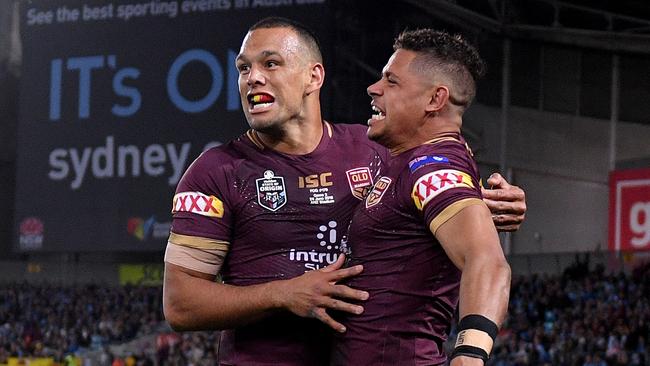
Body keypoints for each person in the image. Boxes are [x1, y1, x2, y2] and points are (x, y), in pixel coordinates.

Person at [162, 18, 525, 365]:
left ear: (313, 76)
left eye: (270, 64)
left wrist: (486, 200)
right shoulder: (215, 171)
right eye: (243, 69)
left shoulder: (378, 152)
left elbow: (435, 194)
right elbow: (179, 304)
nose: (253, 78)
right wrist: (282, 294)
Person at [330, 29, 511, 365]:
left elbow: (488, 262)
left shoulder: (433, 168)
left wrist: (468, 356)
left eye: (391, 81)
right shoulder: (409, 160)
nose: (374, 88)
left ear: (434, 100)